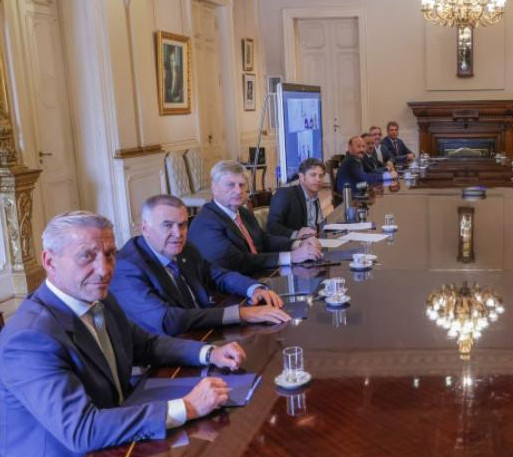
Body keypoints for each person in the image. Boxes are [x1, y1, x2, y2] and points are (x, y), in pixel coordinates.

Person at [0, 211, 246, 456]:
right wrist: (188, 407)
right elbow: (82, 430)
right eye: (87, 256)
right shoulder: (29, 338)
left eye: (109, 255)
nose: (104, 270)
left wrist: (209, 352)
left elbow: (145, 345)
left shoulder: (98, 300)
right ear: (50, 262)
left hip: (120, 437)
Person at [111, 195, 291, 336]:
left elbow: (217, 275)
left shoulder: (184, 248)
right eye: (168, 225)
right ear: (145, 229)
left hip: (205, 331)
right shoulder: (127, 267)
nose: (177, 233)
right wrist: (241, 314)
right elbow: (167, 320)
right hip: (170, 350)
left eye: (182, 225)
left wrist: (254, 289)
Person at [188, 161, 322, 275]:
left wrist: (297, 243)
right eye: (230, 185)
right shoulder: (206, 223)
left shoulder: (243, 212)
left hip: (261, 275)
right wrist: (290, 257)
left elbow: (264, 240)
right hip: (231, 292)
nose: (238, 191)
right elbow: (239, 262)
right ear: (214, 188)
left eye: (241, 185)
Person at [267, 158, 329, 238]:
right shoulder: (284, 195)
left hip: (313, 241)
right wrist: (296, 234)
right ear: (302, 177)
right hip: (291, 245)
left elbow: (316, 224)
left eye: (321, 176)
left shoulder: (314, 196)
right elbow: (272, 227)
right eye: (313, 175)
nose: (318, 179)